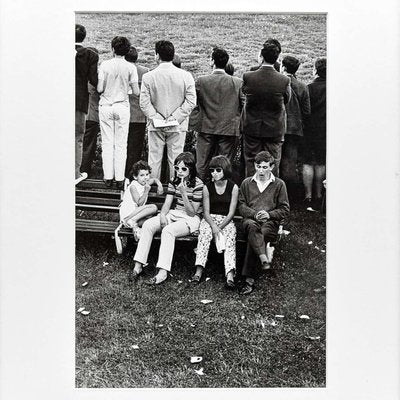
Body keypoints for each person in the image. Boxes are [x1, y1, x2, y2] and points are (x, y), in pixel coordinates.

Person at [131, 152, 203, 285]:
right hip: (174, 213)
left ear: (191, 169)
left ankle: (162, 272)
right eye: (177, 168)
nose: (179, 172)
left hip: (191, 219)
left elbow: (192, 212)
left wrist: (183, 193)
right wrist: (163, 215)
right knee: (148, 225)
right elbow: (168, 203)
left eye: (183, 169)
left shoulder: (198, 184)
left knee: (168, 231)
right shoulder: (174, 180)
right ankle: (138, 265)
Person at [140, 40, 196, 181]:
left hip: (155, 125)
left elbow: (144, 103)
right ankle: (176, 191)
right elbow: (190, 101)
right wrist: (175, 117)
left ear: (157, 55)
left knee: (154, 159)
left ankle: (152, 189)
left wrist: (156, 117)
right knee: (177, 161)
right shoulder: (186, 76)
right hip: (177, 125)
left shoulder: (148, 77)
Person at [238, 151, 290, 295]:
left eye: (265, 167)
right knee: (252, 227)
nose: (261, 171)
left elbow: (285, 209)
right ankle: (263, 258)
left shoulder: (279, 185)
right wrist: (254, 214)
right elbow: (241, 206)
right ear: (255, 165)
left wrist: (269, 214)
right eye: (258, 166)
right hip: (250, 220)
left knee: (257, 236)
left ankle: (248, 280)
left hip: (269, 223)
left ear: (272, 167)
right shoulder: (247, 183)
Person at [241, 40, 291, 178]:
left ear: (261, 57)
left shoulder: (248, 76)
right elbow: (287, 99)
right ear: (277, 58)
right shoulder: (284, 80)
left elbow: (244, 93)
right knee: (273, 162)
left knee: (251, 162)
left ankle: (250, 193)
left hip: (252, 127)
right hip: (274, 129)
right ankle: (271, 194)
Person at [195, 47, 244, 181]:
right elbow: (244, 105)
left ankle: (198, 192)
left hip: (206, 127)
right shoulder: (238, 82)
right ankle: (221, 193)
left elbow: (194, 104)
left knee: (202, 163)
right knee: (224, 164)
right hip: (229, 129)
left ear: (212, 61)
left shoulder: (201, 81)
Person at [97, 36, 139, 189]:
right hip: (122, 106)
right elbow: (136, 91)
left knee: (107, 143)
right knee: (121, 144)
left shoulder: (105, 64)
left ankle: (108, 177)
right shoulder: (131, 67)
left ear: (113, 49)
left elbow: (100, 88)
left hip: (106, 105)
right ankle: (120, 178)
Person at [191, 156, 239, 288]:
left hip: (226, 220)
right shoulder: (208, 187)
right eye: (212, 170)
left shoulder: (233, 187)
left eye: (218, 170)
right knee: (204, 235)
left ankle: (230, 274)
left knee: (229, 236)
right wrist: (213, 227)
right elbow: (206, 212)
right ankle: (199, 270)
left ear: (225, 170)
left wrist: (220, 227)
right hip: (210, 219)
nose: (215, 173)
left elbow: (231, 212)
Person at [279, 55, 311, 200]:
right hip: (295, 129)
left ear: (283, 67)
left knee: (276, 159)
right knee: (290, 163)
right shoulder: (302, 87)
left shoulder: (279, 83)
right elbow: (307, 111)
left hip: (279, 127)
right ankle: (290, 195)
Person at [115, 160, 163, 253]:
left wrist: (159, 185)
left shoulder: (145, 182)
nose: (145, 178)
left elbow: (154, 180)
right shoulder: (133, 186)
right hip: (129, 213)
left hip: (136, 215)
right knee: (154, 207)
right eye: (142, 175)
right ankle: (130, 221)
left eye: (147, 174)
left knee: (151, 222)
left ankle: (134, 227)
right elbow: (139, 203)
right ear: (135, 177)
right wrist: (146, 191)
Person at [301, 58, 326, 210]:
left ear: (316, 70)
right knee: (322, 162)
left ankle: (308, 195)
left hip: (309, 129)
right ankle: (319, 194)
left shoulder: (309, 88)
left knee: (308, 162)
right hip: (325, 130)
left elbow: (304, 111)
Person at [75, 24, 98, 184]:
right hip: (78, 102)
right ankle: (75, 174)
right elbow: (94, 80)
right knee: (77, 138)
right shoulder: (89, 55)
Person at [124, 46, 150, 179]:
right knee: (135, 149)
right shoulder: (145, 71)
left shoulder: (122, 69)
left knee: (121, 146)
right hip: (139, 116)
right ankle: (131, 175)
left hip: (123, 114)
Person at [80, 73, 100, 176]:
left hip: (80, 114)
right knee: (89, 145)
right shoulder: (96, 80)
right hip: (93, 115)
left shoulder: (79, 78)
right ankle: (85, 170)